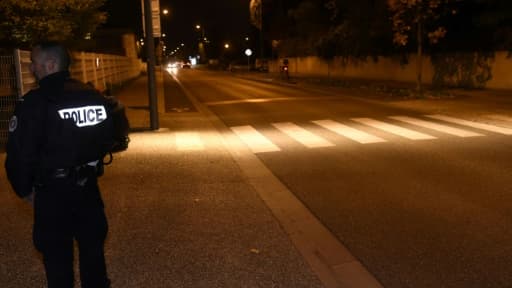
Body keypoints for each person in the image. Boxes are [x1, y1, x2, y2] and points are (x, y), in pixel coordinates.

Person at [4, 41, 114, 288]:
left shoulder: (34, 103)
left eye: (34, 62)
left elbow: (20, 154)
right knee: (93, 251)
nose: (31, 67)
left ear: (50, 64)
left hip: (53, 193)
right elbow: (109, 137)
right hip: (88, 188)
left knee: (57, 259)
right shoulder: (92, 95)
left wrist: (24, 190)